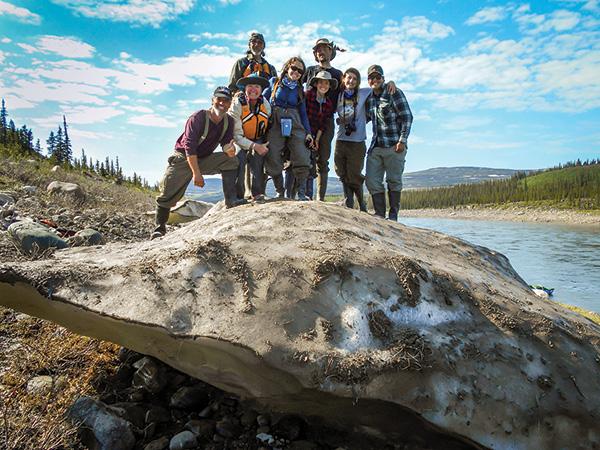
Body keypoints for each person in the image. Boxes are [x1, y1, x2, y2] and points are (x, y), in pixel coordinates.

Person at [151, 86, 244, 239]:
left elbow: (226, 143)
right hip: (183, 159)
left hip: (204, 158)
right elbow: (189, 147)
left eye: (226, 100)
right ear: (212, 100)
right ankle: (159, 228)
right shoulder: (198, 117)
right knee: (167, 195)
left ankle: (231, 200)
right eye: (219, 99)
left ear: (229, 104)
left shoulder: (228, 121)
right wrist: (197, 174)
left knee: (231, 160)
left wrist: (230, 149)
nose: (222, 102)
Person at [334, 69, 397, 212]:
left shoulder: (363, 93)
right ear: (344, 79)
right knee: (341, 172)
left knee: (354, 173)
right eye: (349, 78)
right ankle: (348, 202)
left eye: (354, 79)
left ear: (358, 82)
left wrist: (391, 83)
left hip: (357, 141)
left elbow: (379, 86)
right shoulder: (338, 96)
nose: (351, 81)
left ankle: (361, 204)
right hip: (341, 139)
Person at [365, 65, 413, 221]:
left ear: (383, 79)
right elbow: (365, 118)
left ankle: (393, 216)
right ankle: (380, 213)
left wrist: (402, 140)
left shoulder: (394, 92)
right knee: (371, 180)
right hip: (376, 146)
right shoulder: (369, 98)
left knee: (394, 180)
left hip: (394, 145)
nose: (375, 80)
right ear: (368, 80)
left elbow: (407, 117)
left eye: (378, 77)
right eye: (371, 78)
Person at [263, 56, 314, 200]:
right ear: (287, 68)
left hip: (294, 121)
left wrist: (308, 133)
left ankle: (302, 193)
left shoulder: (299, 90)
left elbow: (303, 113)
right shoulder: (274, 82)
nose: (296, 72)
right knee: (272, 153)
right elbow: (263, 100)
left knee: (302, 153)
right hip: (275, 120)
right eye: (294, 68)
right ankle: (280, 191)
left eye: (300, 71)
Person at [302, 38, 344, 201]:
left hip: (327, 119)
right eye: (317, 49)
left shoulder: (338, 74)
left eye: (324, 48)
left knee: (323, 158)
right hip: (308, 119)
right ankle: (304, 194)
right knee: (304, 156)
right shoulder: (310, 70)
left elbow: (349, 93)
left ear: (330, 51)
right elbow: (295, 85)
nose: (320, 51)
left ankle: (320, 197)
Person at [228, 73, 272, 201]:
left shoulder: (265, 104)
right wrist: (254, 146)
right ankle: (238, 195)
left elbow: (267, 123)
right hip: (238, 139)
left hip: (257, 137)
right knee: (239, 158)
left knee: (258, 159)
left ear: (261, 89)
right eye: (250, 86)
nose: (253, 89)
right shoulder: (237, 105)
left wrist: (261, 144)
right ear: (244, 89)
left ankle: (257, 193)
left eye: (257, 86)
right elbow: (236, 135)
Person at [304, 70, 337, 199]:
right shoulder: (308, 96)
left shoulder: (328, 103)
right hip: (304, 131)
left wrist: (316, 139)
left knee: (317, 159)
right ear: (316, 84)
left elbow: (323, 124)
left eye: (326, 83)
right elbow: (303, 116)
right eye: (321, 82)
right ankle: (302, 193)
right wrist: (308, 135)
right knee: (305, 160)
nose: (323, 85)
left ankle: (316, 197)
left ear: (329, 86)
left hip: (316, 132)